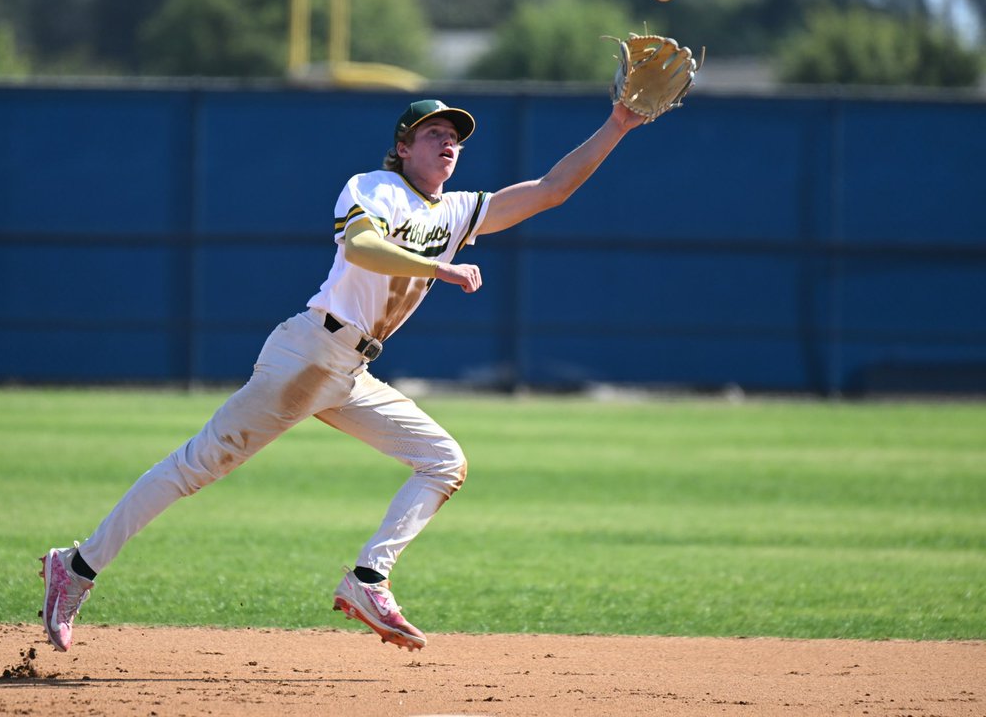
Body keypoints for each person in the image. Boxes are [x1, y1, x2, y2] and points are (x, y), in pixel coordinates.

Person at [41, 98, 646, 653]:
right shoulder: (374, 187)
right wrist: (440, 267)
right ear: (403, 147)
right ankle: (78, 567)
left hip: (351, 370)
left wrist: (617, 123)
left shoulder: (461, 210)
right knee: (196, 466)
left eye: (455, 136)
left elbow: (550, 189)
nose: (448, 143)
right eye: (433, 133)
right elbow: (360, 247)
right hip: (307, 353)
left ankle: (367, 579)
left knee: (444, 461)